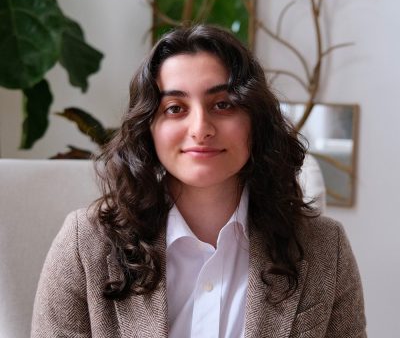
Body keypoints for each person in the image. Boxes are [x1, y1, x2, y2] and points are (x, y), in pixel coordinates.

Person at [31, 25, 366, 338]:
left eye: (223, 104)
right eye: (175, 108)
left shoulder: (325, 247)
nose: (201, 128)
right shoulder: (84, 243)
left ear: (256, 120)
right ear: (148, 128)